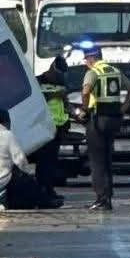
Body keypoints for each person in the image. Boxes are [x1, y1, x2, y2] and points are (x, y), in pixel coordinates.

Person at [78, 45, 130, 211]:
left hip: (97, 119)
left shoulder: (93, 72)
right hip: (114, 119)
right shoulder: (114, 71)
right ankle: (108, 197)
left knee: (97, 161)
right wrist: (123, 108)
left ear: (91, 58)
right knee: (107, 159)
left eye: (86, 59)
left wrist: (84, 109)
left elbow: (85, 91)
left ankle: (101, 199)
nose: (85, 63)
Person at [0, 109, 62, 209]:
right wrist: (29, 172)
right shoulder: (6, 135)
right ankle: (46, 202)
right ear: (7, 122)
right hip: (0, 180)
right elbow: (19, 159)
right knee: (28, 181)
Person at [32, 55, 71, 202]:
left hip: (58, 128)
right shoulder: (38, 81)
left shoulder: (62, 83)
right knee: (44, 162)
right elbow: (36, 99)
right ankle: (43, 191)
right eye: (58, 75)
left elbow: (65, 104)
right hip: (43, 128)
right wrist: (55, 94)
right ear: (52, 71)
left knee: (52, 163)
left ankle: (49, 189)